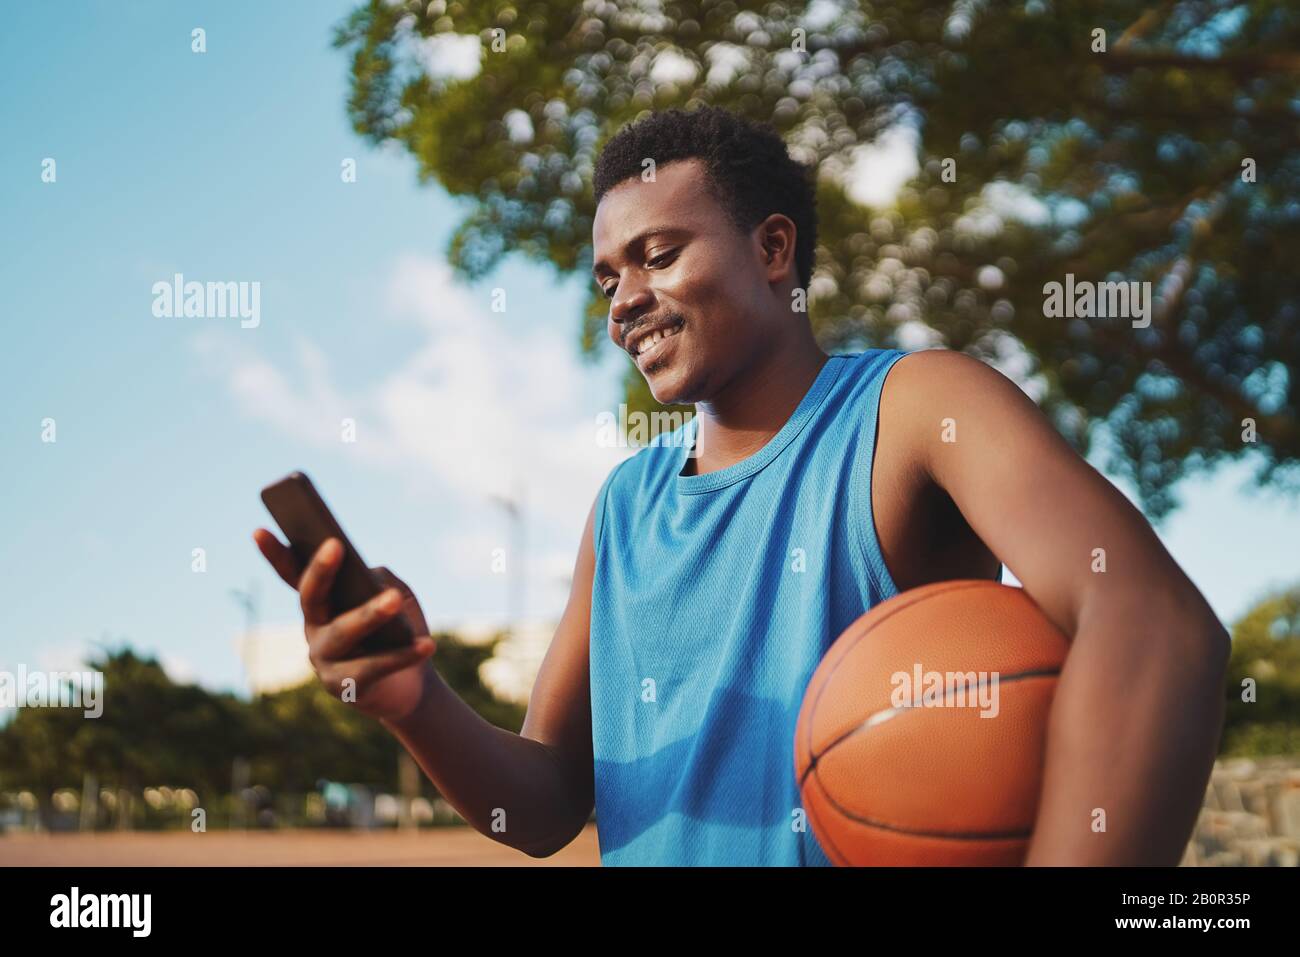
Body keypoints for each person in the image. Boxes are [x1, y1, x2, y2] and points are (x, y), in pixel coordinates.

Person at [254, 106, 1229, 866]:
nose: (625, 300)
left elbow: (1150, 622)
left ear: (772, 251)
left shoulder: (913, 409)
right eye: (605, 279)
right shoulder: (625, 507)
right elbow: (545, 805)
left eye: (658, 254)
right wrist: (410, 699)